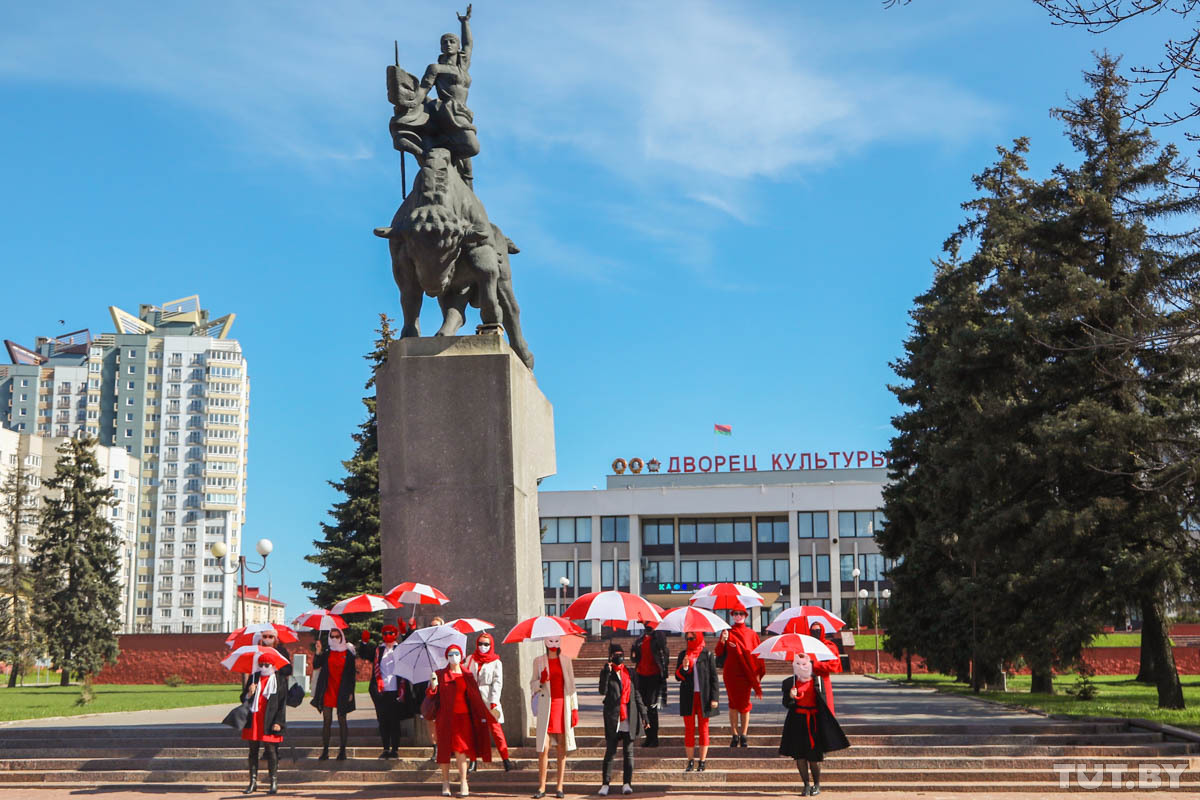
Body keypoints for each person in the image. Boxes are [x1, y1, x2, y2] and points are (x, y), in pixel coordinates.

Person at [780, 652, 850, 796]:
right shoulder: (789, 683)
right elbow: (786, 704)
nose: (802, 667)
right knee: (799, 756)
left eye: (804, 664)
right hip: (797, 722)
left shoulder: (817, 682)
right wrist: (790, 696)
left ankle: (816, 784)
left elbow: (823, 703)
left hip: (813, 722)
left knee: (813, 757)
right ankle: (806, 784)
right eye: (798, 664)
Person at [428, 644, 492, 798]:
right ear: (446, 656)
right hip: (445, 717)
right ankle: (445, 782)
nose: (453, 656)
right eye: (450, 654)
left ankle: (464, 781)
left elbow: (474, 695)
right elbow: (432, 695)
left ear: (461, 655)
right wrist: (433, 685)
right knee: (444, 750)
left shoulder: (467, 674)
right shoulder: (440, 674)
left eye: (456, 653)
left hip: (463, 717)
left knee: (461, 750)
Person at [597, 643, 649, 796]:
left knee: (628, 752)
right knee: (611, 752)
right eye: (615, 654)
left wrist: (644, 715)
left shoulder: (630, 673)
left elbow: (637, 694)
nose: (618, 656)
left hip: (629, 715)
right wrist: (607, 672)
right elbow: (602, 691)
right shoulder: (606, 672)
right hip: (614, 717)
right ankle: (605, 784)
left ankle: (627, 783)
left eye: (621, 653)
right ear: (610, 656)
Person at [530, 636, 578, 799]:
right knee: (543, 748)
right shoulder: (538, 661)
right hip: (546, 706)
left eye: (556, 641)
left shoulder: (566, 660)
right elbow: (532, 684)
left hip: (562, 705)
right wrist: (541, 681)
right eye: (550, 641)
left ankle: (559, 786)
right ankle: (542, 787)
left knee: (561, 747)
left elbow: (572, 686)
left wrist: (574, 709)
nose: (553, 644)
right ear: (545, 642)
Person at [715, 608, 764, 747]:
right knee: (733, 704)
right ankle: (734, 735)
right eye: (735, 614)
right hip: (731, 674)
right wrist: (723, 641)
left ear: (745, 615)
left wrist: (757, 675)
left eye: (741, 614)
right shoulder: (727, 633)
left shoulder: (752, 634)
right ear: (732, 616)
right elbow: (718, 652)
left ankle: (744, 734)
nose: (738, 616)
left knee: (744, 705)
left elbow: (757, 654)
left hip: (746, 674)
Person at [465, 631, 514, 772]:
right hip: (473, 697)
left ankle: (505, 758)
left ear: (491, 645)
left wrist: (494, 701)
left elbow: (498, 682)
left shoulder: (496, 662)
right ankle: (473, 760)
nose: (482, 646)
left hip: (489, 697)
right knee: (474, 730)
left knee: (496, 730)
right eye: (480, 643)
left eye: (486, 644)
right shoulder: (470, 659)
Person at [241, 657, 287, 795]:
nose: (264, 667)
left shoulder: (279, 679)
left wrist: (279, 722)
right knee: (253, 751)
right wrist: (249, 693)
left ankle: (273, 782)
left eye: (267, 664)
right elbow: (243, 698)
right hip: (254, 718)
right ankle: (252, 782)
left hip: (270, 719)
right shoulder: (254, 677)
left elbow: (282, 704)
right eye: (261, 664)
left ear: (272, 665)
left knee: (271, 751)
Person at [674, 632, 719, 773]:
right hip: (688, 697)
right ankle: (690, 761)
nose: (689, 640)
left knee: (704, 729)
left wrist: (715, 698)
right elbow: (677, 676)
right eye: (687, 638)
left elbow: (714, 678)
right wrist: (685, 667)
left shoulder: (707, 655)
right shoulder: (683, 655)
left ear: (699, 637)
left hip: (704, 697)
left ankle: (702, 761)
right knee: (689, 729)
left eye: (692, 638)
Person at [311, 628, 356, 761]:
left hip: (342, 690)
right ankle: (325, 751)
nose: (335, 638)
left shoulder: (348, 654)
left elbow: (351, 675)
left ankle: (342, 751)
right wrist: (318, 651)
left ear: (342, 637)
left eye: (337, 636)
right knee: (327, 721)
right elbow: (316, 665)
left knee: (342, 720)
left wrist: (350, 692)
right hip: (328, 689)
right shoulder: (327, 652)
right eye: (332, 636)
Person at [367, 624, 405, 758]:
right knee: (383, 721)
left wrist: (407, 630)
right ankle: (385, 748)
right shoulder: (378, 650)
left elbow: (410, 643)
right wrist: (365, 642)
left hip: (395, 690)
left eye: (390, 632)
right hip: (381, 690)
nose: (387, 635)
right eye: (385, 633)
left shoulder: (400, 648)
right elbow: (365, 653)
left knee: (394, 721)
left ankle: (395, 749)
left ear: (395, 633)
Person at [630, 628, 669, 747]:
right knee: (643, 708)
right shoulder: (640, 640)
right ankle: (648, 737)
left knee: (652, 708)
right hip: (641, 676)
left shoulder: (658, 637)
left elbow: (664, 650)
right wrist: (633, 653)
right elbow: (635, 659)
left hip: (654, 676)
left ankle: (654, 738)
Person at [808, 622, 843, 715]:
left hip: (823, 680)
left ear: (822, 631)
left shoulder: (829, 647)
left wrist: (815, 664)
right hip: (808, 682)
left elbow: (834, 665)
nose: (815, 633)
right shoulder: (807, 646)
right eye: (813, 631)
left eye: (818, 631)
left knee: (826, 709)